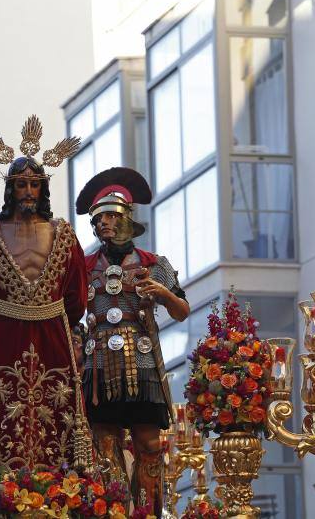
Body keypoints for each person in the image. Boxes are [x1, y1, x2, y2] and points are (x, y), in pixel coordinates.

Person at [0, 116, 89, 479]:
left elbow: (77, 295)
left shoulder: (62, 233)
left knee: (54, 412)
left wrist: (52, 317)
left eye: (34, 184)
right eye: (21, 185)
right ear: (9, 189)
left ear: (43, 188)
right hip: (2, 337)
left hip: (52, 337)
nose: (28, 191)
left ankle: (60, 486)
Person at [75, 167, 189, 516]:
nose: (102, 224)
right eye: (97, 219)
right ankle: (114, 512)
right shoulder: (81, 266)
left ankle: (147, 513)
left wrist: (161, 294)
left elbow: (182, 311)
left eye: (110, 216)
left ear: (127, 218)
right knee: (105, 443)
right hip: (98, 363)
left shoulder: (154, 264)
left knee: (149, 443)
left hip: (141, 361)